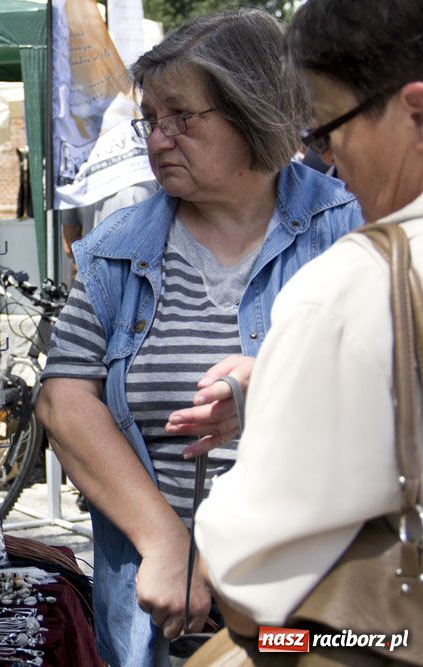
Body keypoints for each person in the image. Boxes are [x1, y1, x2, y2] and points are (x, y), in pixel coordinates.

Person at [33, 10, 364, 665]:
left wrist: (271, 388)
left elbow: (394, 388)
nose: (159, 138)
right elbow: (63, 400)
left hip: (315, 617)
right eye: (151, 119)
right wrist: (164, 538)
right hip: (155, 626)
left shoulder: (348, 231)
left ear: (252, 111)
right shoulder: (116, 251)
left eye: (183, 117)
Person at [193, 0, 423, 660]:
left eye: (327, 129)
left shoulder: (356, 285)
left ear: (416, 112)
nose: (328, 157)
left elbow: (250, 573)